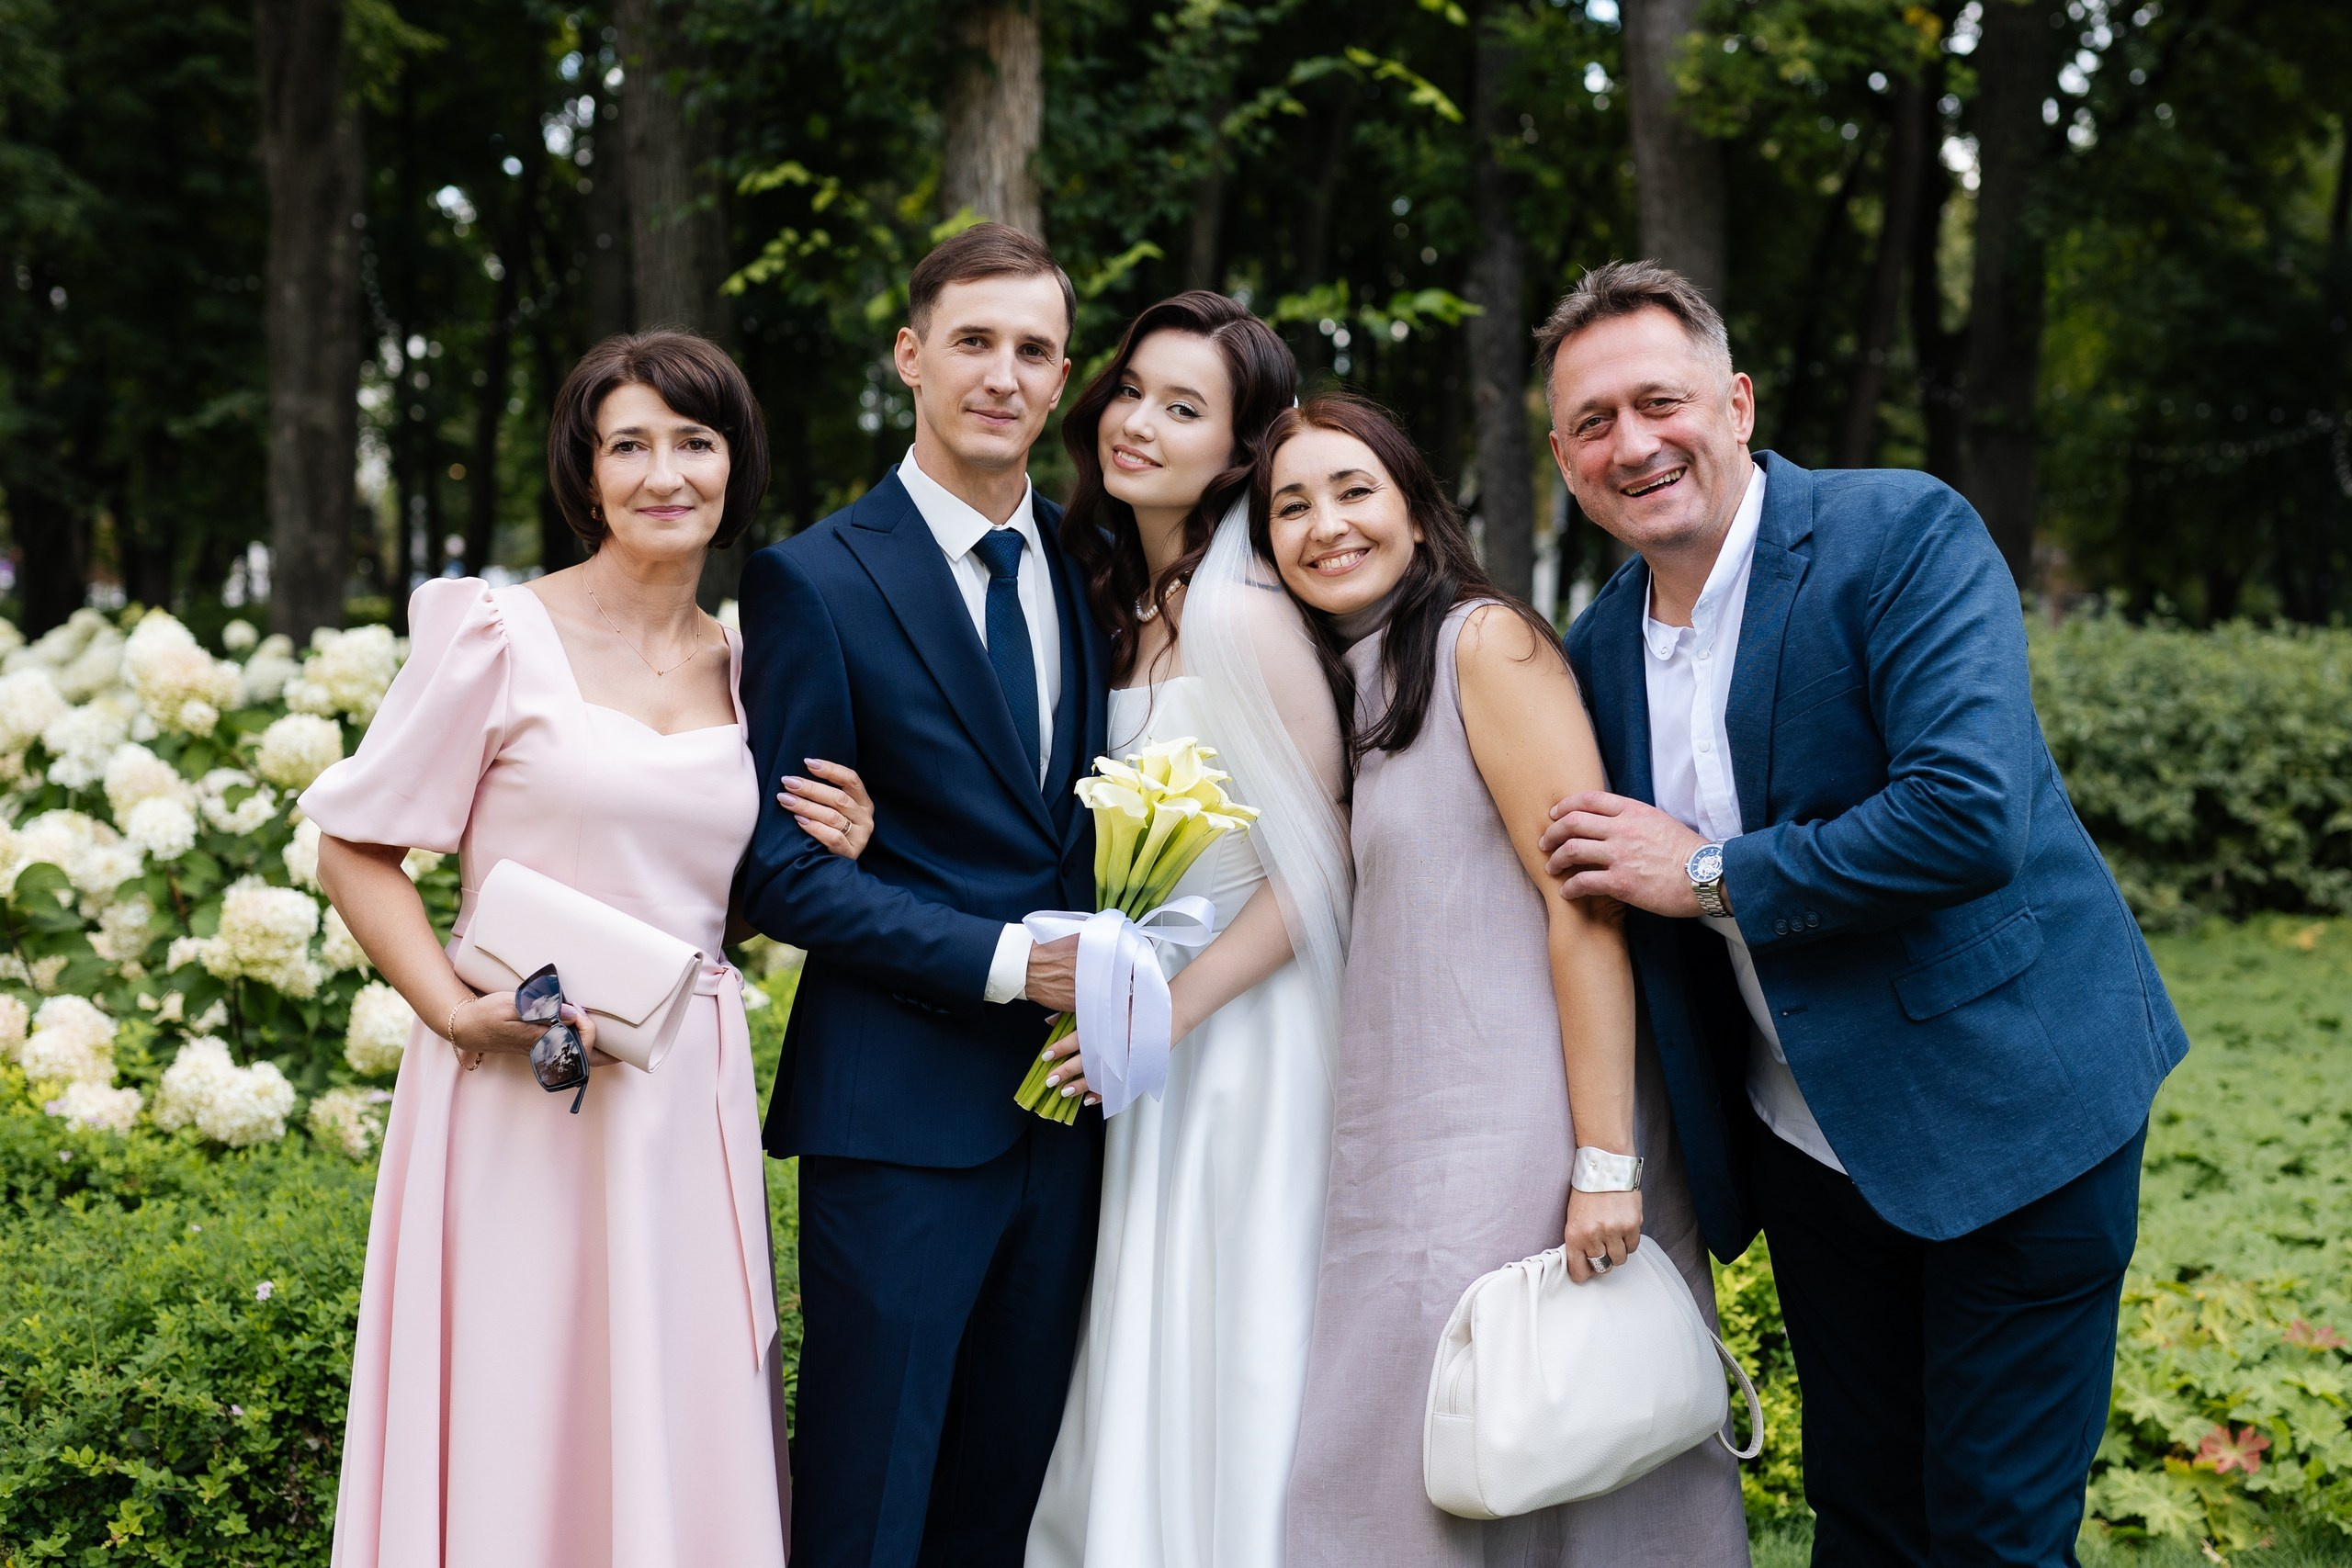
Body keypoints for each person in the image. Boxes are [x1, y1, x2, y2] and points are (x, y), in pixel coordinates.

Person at [1538, 261, 2188, 1565]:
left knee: (1994, 1535)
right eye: (1593, 421)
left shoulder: (1902, 534)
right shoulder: (1596, 644)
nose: (1634, 442)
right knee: (1866, 1517)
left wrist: (1707, 872)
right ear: (1561, 458)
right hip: (1808, 1139)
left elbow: (1964, 816)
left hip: (2013, 1106)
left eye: (1658, 400)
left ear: (1734, 400)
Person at [306, 330, 791, 1567]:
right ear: (587, 474)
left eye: (694, 441)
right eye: (629, 444)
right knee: (522, 1400)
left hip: (679, 1096)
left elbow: (713, 892)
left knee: (666, 1406)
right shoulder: (496, 636)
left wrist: (845, 838)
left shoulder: (753, 669)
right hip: (520, 1086)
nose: (663, 472)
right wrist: (454, 1013)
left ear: (735, 466)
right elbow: (354, 848)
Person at [1268, 394, 1749, 1566]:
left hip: (1529, 1121)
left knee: (1546, 1431)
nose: (1324, 524)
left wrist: (1602, 1165)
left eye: (1352, 490)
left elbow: (1582, 909)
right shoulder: (1347, 679)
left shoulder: (1482, 643)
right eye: (1289, 505)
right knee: (1444, 1442)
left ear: (1417, 513)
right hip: (1406, 1119)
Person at [736, 222, 1111, 1568]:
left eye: (1032, 349)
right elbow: (779, 870)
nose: (1001, 374)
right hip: (895, 1118)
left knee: (1000, 1501)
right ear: (911, 356)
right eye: (972, 342)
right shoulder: (812, 579)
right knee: (867, 1501)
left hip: (1073, 1120)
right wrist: (1013, 959)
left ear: (1062, 376)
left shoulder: (1099, 566)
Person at [1021, 293, 1353, 1566]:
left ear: (1240, 448)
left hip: (1243, 1036)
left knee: (1229, 1319)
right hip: (1137, 1025)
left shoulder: (1248, 612)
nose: (1137, 423)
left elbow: (1319, 863)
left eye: (1184, 407)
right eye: (1130, 390)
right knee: (1137, 1318)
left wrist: (1175, 1005)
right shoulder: (1111, 597)